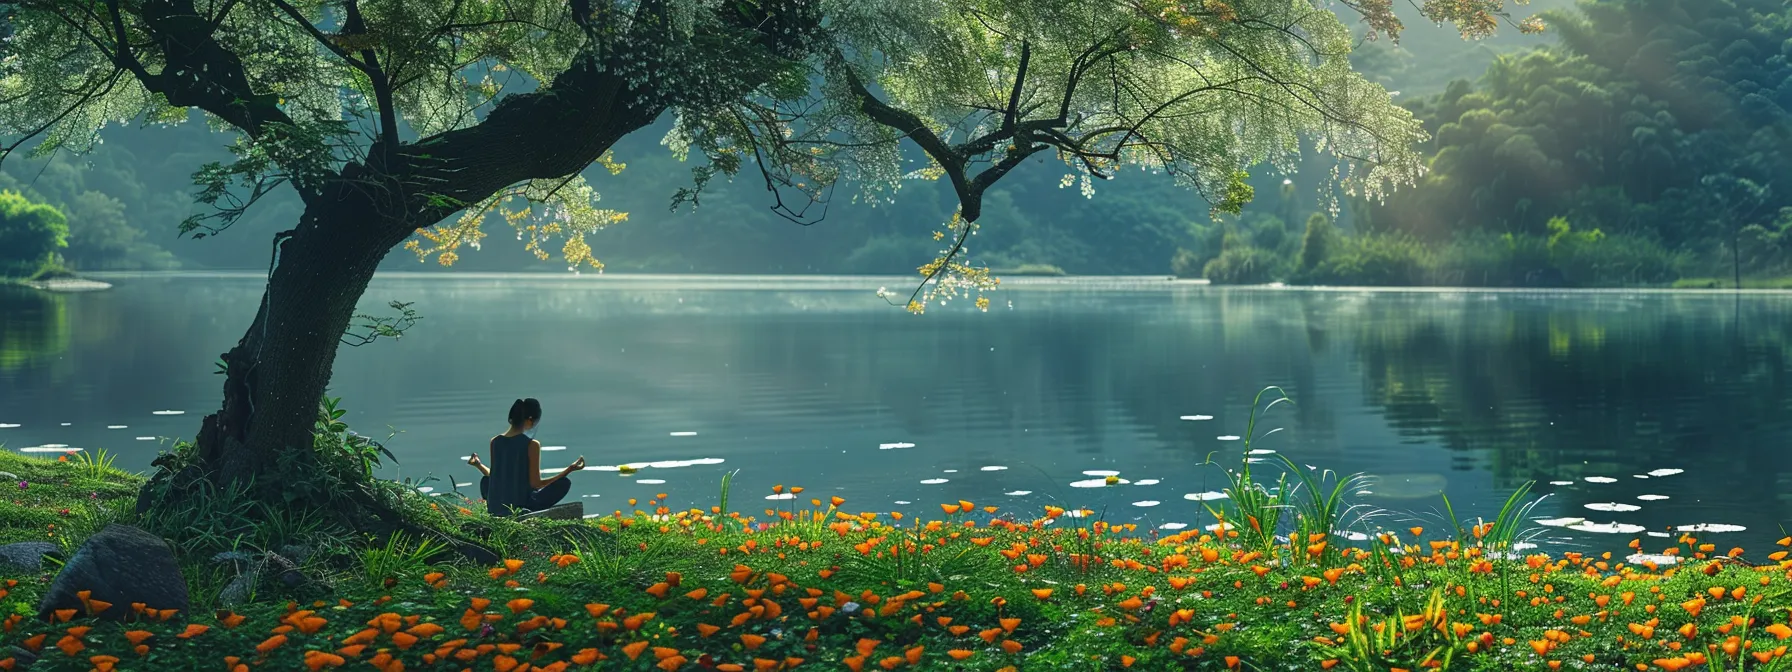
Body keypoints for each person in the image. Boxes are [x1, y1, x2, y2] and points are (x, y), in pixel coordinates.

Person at [467, 398, 585, 516]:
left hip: (496, 508)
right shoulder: (531, 445)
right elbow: (536, 484)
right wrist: (568, 470)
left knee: (486, 481)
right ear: (529, 420)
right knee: (563, 483)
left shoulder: (495, 442)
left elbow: (495, 477)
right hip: (521, 507)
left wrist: (479, 465)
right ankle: (528, 512)